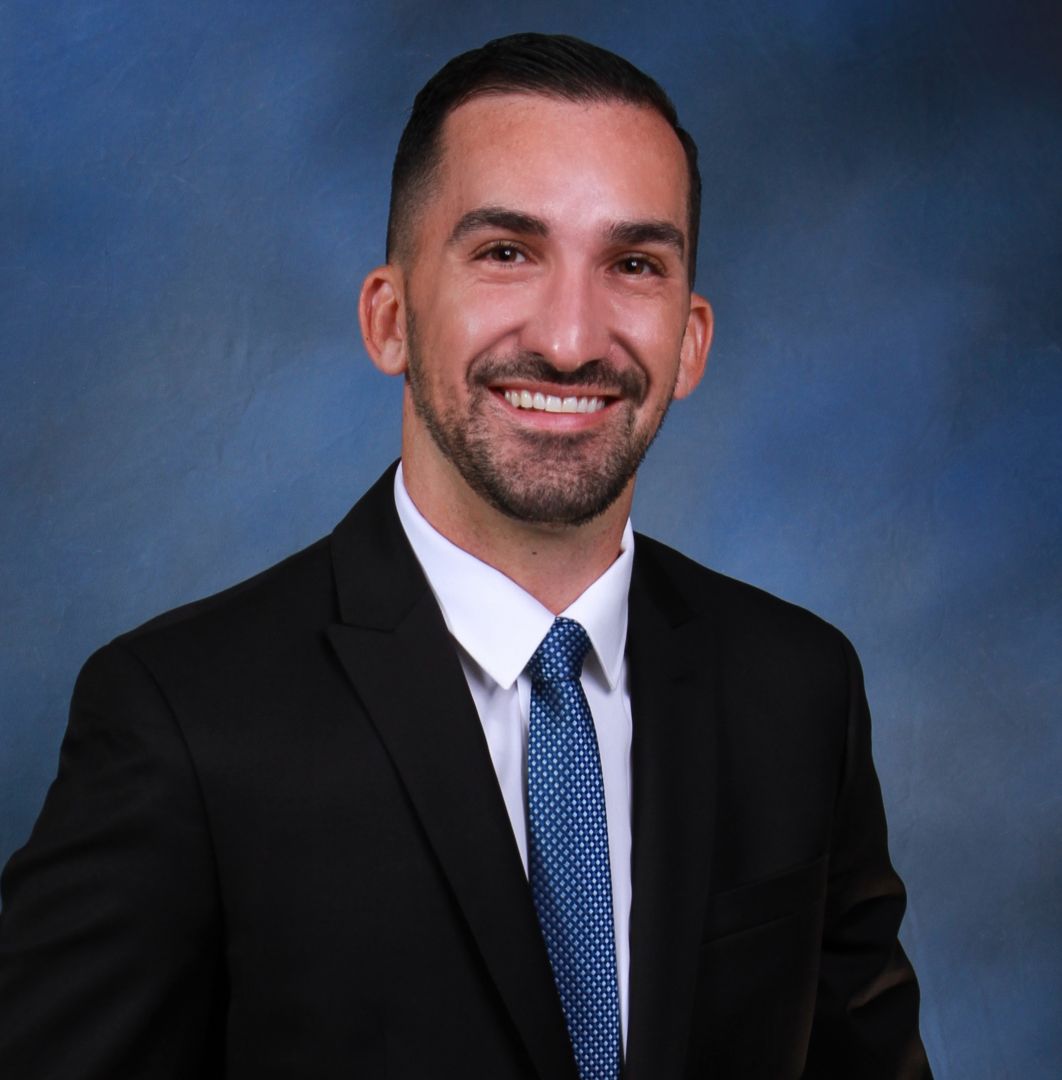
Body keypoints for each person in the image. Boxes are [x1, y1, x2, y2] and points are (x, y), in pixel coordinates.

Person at [0, 32, 931, 1079]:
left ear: (691, 340)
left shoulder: (798, 690)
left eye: (633, 265)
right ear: (390, 318)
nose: (571, 341)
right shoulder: (181, 719)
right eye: (506, 253)